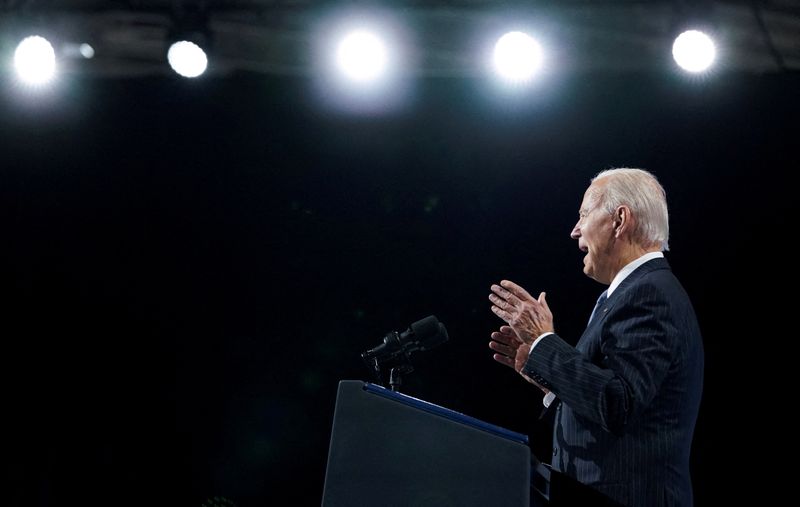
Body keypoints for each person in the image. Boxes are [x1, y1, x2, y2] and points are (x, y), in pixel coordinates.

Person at [488, 168, 703, 507]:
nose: (575, 231)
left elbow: (618, 404)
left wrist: (545, 342)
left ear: (619, 220)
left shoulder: (650, 294)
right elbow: (611, 398)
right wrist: (549, 379)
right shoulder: (625, 295)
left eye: (584, 215)